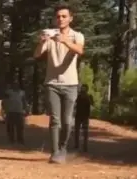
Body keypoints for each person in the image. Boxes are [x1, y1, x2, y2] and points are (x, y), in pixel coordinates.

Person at [33, 4, 85, 164]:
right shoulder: (50, 35)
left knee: (67, 120)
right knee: (55, 119)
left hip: (70, 84)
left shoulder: (77, 36)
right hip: (52, 83)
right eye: (58, 16)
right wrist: (42, 42)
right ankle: (55, 152)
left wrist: (65, 41)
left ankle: (63, 148)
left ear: (70, 18)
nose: (60, 19)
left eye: (64, 16)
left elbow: (80, 50)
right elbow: (36, 54)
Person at [74, 84, 93, 152]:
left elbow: (92, 105)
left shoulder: (89, 97)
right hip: (78, 116)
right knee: (77, 131)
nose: (83, 90)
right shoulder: (78, 96)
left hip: (85, 117)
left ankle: (85, 146)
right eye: (82, 88)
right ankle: (76, 145)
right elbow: (75, 104)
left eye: (84, 88)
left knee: (85, 132)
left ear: (87, 89)